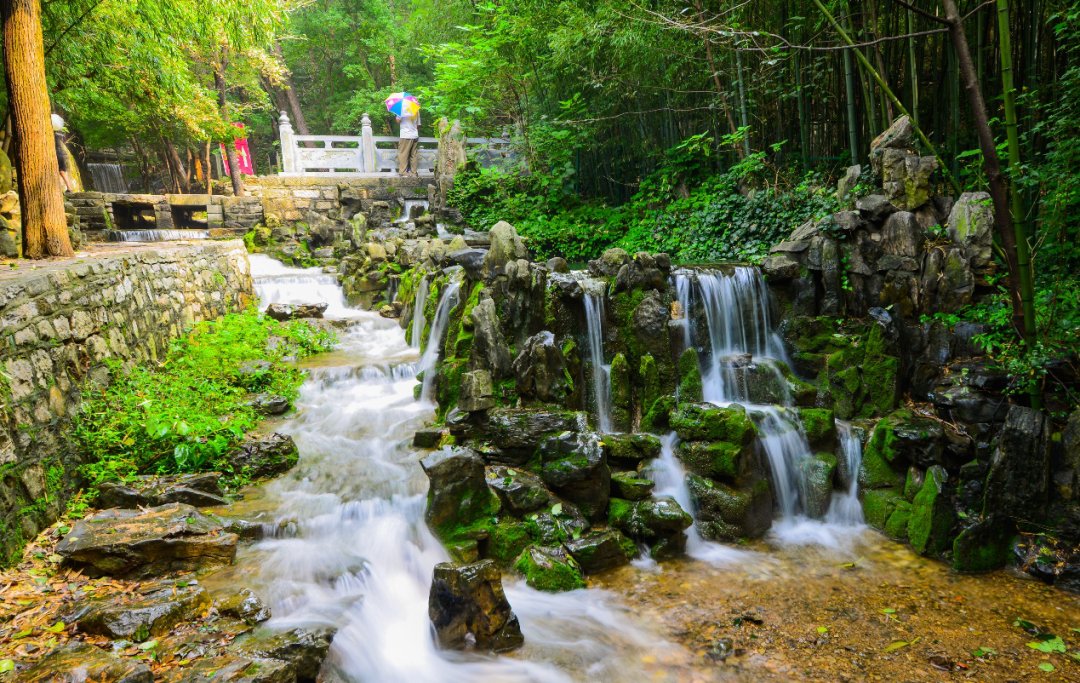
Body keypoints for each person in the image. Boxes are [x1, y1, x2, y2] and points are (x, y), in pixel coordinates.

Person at [52, 114, 75, 193]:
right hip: (60, 154)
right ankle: (69, 188)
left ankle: (63, 189)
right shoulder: (58, 135)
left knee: (58, 171)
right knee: (62, 171)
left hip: (56, 154)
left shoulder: (51, 135)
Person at [396, 110, 420, 176]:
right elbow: (418, 124)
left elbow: (398, 121)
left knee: (402, 154)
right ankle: (414, 172)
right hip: (415, 135)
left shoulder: (402, 109)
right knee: (413, 154)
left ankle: (403, 172)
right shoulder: (416, 110)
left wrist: (397, 115)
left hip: (405, 135)